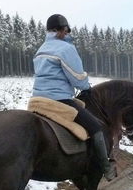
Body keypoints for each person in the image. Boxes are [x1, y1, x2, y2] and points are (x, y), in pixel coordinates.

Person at [32, 14, 117, 181]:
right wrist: (86, 87)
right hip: (59, 101)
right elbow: (77, 77)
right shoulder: (66, 49)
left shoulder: (40, 50)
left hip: (37, 100)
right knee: (96, 128)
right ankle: (105, 167)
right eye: (66, 30)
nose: (67, 33)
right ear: (61, 30)